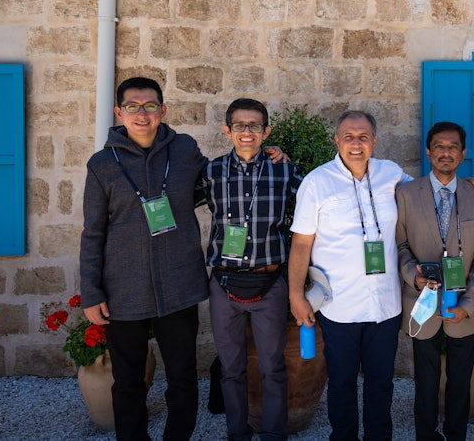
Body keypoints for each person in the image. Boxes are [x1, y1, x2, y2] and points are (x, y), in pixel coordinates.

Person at [80, 77, 208, 441]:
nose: (142, 114)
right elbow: (92, 232)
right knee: (128, 381)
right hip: (124, 289)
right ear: (119, 113)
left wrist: (267, 155)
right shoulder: (102, 164)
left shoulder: (184, 150)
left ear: (163, 110)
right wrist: (91, 292)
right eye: (132, 106)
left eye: (150, 106)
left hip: (179, 285)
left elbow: (222, 179)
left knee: (183, 376)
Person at [287, 110, 409, 441]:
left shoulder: (391, 174)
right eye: (349, 137)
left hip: (385, 303)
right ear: (337, 140)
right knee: (340, 381)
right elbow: (301, 243)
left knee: (381, 381)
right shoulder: (317, 182)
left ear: (375, 141)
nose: (356, 144)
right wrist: (296, 295)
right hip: (340, 305)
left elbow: (426, 198)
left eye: (363, 137)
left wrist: (470, 186)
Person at [201, 98, 303, 441]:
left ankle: (274, 434)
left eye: (255, 126)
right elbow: (174, 201)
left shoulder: (284, 170)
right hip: (223, 284)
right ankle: (237, 432)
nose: (247, 132)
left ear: (266, 131)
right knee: (231, 368)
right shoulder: (211, 172)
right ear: (227, 131)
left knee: (273, 366)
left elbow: (323, 200)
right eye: (240, 126)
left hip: (270, 282)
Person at [396, 122, 474, 441]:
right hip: (421, 303)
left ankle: (456, 435)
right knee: (425, 380)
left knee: (460, 380)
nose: (446, 152)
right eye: (439, 146)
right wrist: (414, 276)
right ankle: (426, 435)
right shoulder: (406, 194)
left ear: (463, 154)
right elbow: (399, 246)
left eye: (453, 146)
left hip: (464, 306)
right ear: (428, 151)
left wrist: (470, 304)